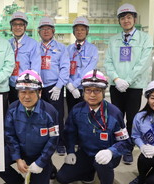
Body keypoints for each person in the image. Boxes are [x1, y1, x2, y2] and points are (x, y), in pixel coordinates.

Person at [56, 69, 132, 184]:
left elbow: (126, 143)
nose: (92, 95)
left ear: (103, 92)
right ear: (83, 92)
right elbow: (69, 133)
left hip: (108, 155)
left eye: (97, 90)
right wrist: (70, 151)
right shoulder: (77, 110)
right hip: (86, 152)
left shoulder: (114, 113)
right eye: (88, 90)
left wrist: (111, 152)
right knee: (62, 177)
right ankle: (89, 174)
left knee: (102, 164)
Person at [104, 3, 154, 164]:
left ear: (134, 19)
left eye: (129, 17)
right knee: (116, 118)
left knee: (132, 119)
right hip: (116, 85)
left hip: (134, 86)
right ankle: (116, 146)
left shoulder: (145, 39)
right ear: (119, 21)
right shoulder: (113, 40)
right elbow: (108, 62)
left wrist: (129, 80)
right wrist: (117, 79)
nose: (126, 20)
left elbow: (144, 63)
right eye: (123, 18)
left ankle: (128, 148)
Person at [0, 70, 59, 184]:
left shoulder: (50, 112)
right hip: (19, 150)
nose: (26, 97)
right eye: (22, 92)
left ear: (39, 92)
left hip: (39, 154)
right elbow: (10, 135)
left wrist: (41, 162)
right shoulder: (12, 109)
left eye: (31, 92)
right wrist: (18, 159)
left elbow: (53, 140)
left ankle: (49, 167)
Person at [38, 16, 69, 155]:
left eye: (48, 29)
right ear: (39, 31)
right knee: (41, 116)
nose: (46, 31)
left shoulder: (61, 48)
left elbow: (65, 68)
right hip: (38, 87)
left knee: (57, 116)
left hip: (54, 86)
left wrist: (58, 86)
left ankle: (59, 143)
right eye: (43, 29)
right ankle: (44, 141)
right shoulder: (35, 47)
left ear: (53, 31)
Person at [66, 16, 98, 113]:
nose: (79, 32)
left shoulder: (93, 49)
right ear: (73, 32)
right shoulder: (68, 49)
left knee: (85, 114)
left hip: (86, 89)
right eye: (77, 30)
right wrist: (69, 85)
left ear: (87, 32)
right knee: (71, 114)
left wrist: (75, 84)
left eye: (82, 30)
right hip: (70, 89)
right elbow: (64, 68)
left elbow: (89, 69)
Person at [8, 11, 41, 104]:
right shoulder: (8, 43)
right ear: (11, 27)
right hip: (10, 85)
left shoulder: (33, 44)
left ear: (25, 27)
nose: (17, 27)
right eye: (15, 24)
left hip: (25, 87)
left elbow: (35, 68)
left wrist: (29, 85)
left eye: (21, 25)